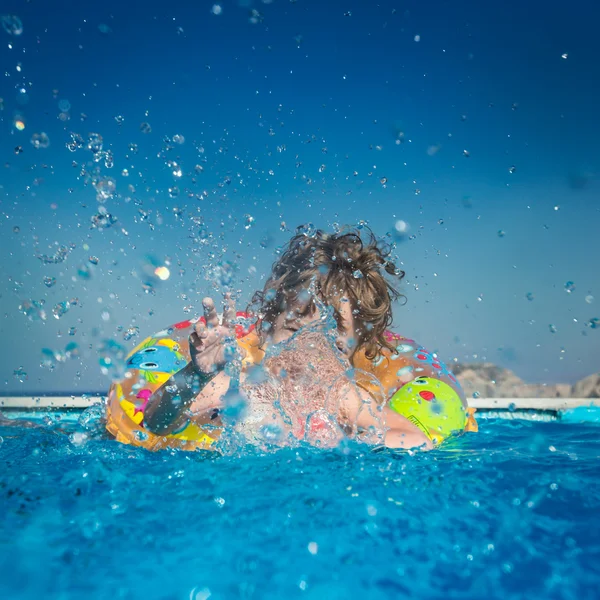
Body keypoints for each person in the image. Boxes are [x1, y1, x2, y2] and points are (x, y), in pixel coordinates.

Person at [142, 226, 433, 450]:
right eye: (294, 331)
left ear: (354, 347)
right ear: (268, 324)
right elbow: (156, 423)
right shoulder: (234, 388)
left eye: (330, 337)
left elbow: (415, 438)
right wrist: (196, 374)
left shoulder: (342, 399)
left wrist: (337, 446)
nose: (308, 348)